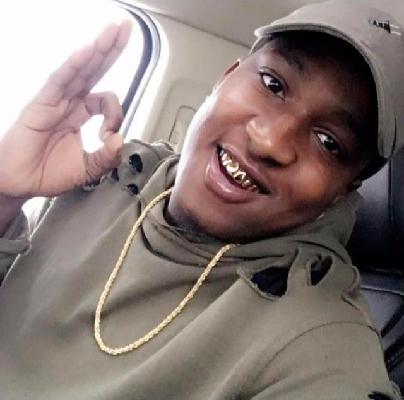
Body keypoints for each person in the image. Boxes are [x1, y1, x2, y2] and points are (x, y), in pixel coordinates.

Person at [0, 0, 402, 398]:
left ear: (342, 191)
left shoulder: (319, 340)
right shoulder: (112, 172)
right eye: (272, 85)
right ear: (224, 77)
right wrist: (6, 197)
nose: (270, 141)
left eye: (328, 142)